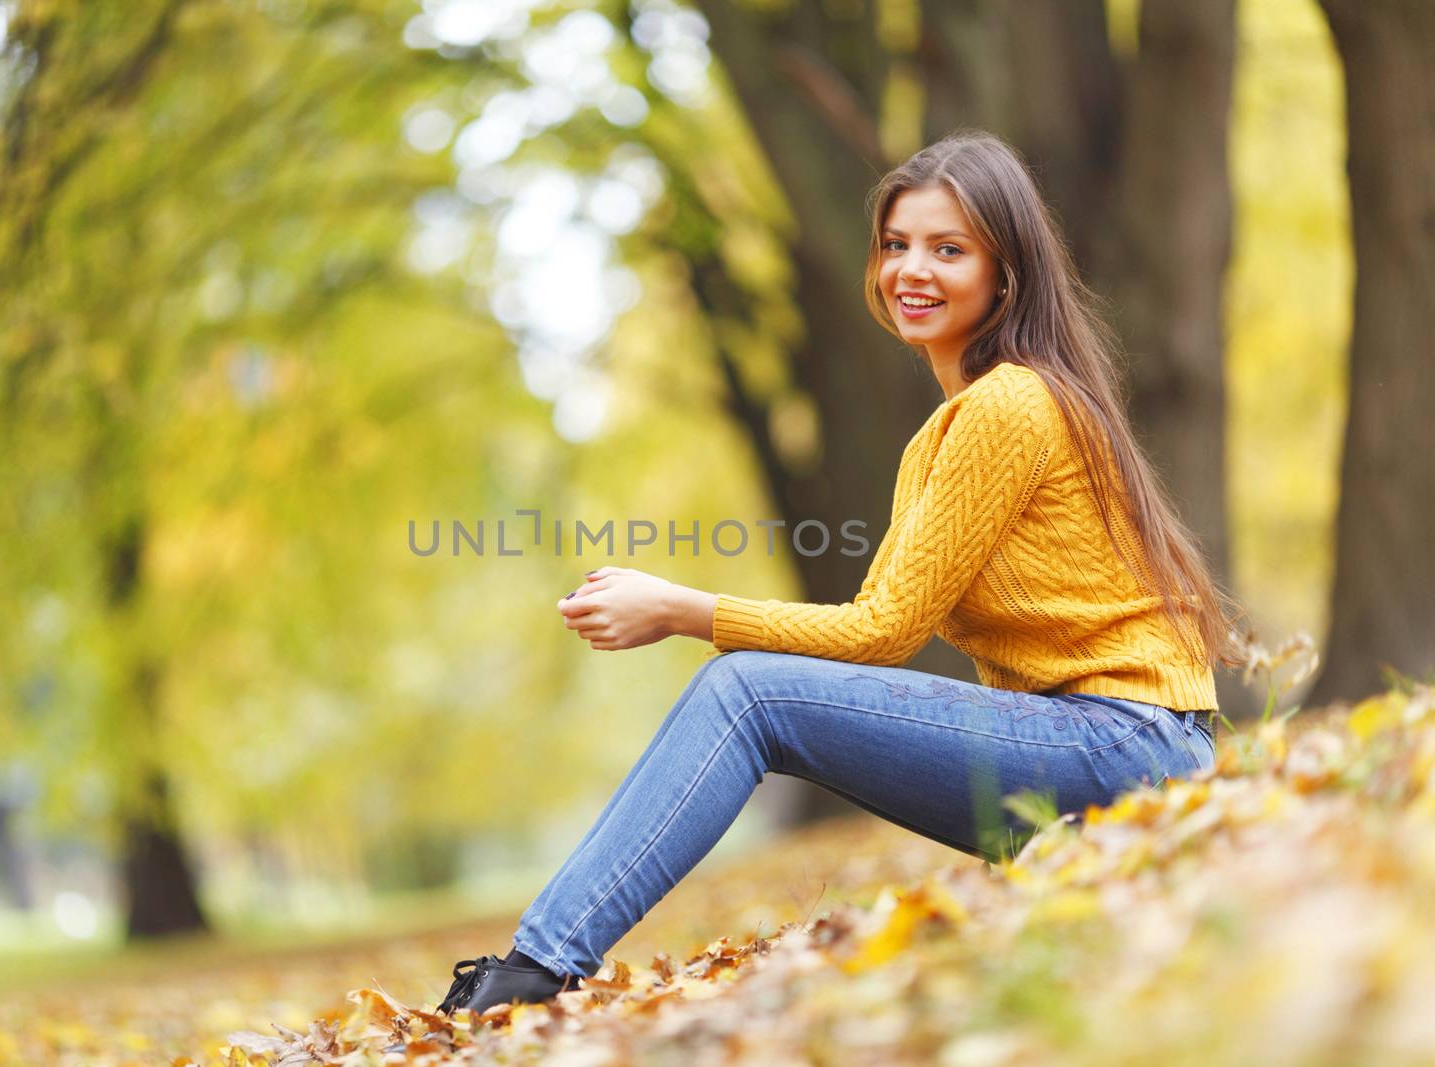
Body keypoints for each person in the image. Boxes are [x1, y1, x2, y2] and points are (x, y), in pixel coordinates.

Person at [422, 129, 1241, 1021]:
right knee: (749, 691)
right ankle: (533, 966)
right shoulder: (965, 422)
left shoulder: (1010, 404)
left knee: (745, 694)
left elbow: (881, 632)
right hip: (1112, 746)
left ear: (1005, 275)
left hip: (1125, 746)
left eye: (948, 248)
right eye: (896, 245)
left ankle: (533, 971)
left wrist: (682, 607)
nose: (910, 270)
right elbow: (876, 620)